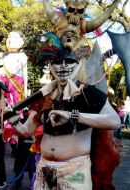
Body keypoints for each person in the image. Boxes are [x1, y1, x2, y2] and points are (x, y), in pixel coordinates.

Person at [9, 50, 120, 189]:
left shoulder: (89, 94)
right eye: (58, 62)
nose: (63, 66)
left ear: (78, 65)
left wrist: (73, 116)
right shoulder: (46, 97)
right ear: (51, 66)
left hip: (75, 170)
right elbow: (26, 131)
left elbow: (115, 121)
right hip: (47, 168)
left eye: (69, 62)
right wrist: (13, 120)